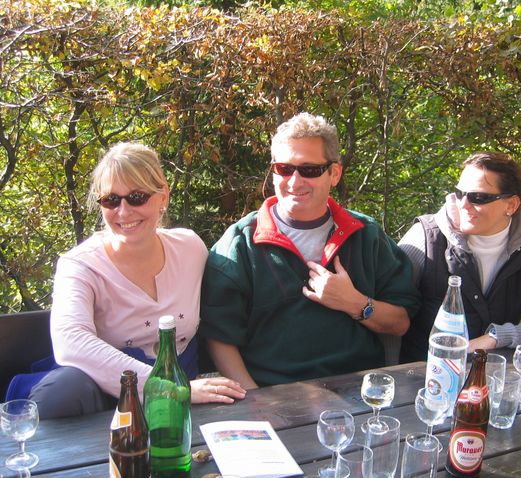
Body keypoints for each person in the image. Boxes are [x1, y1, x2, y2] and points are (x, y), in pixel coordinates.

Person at [200, 112, 421, 389]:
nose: (294, 181)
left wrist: (354, 303)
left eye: (309, 170)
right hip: (273, 392)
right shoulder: (240, 243)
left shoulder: (366, 235)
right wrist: (256, 402)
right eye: (284, 168)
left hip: (358, 391)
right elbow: (219, 338)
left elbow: (400, 322)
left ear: (334, 173)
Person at [29, 142, 245, 419]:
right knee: (62, 392)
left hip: (181, 406)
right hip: (106, 398)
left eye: (137, 197)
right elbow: (71, 342)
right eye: (111, 200)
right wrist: (169, 388)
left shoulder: (190, 248)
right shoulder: (80, 265)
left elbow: (227, 307)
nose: (123, 211)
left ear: (163, 196)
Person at [399, 151, 521, 361]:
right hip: (423, 371)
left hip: (494, 370)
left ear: (511, 205)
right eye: (460, 193)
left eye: (478, 197)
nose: (464, 204)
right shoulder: (426, 236)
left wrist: (496, 337)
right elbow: (388, 314)